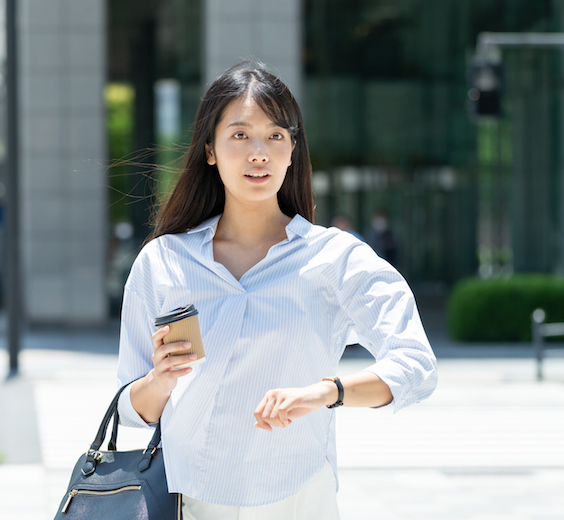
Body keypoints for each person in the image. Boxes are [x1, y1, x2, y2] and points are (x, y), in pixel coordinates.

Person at [114, 61, 437, 519]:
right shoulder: (164, 261)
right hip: (192, 498)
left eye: (275, 136)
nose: (259, 153)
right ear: (210, 149)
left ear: (292, 151)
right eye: (240, 135)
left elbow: (416, 366)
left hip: (298, 494)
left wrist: (327, 392)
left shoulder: (336, 259)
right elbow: (130, 407)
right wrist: (160, 380)